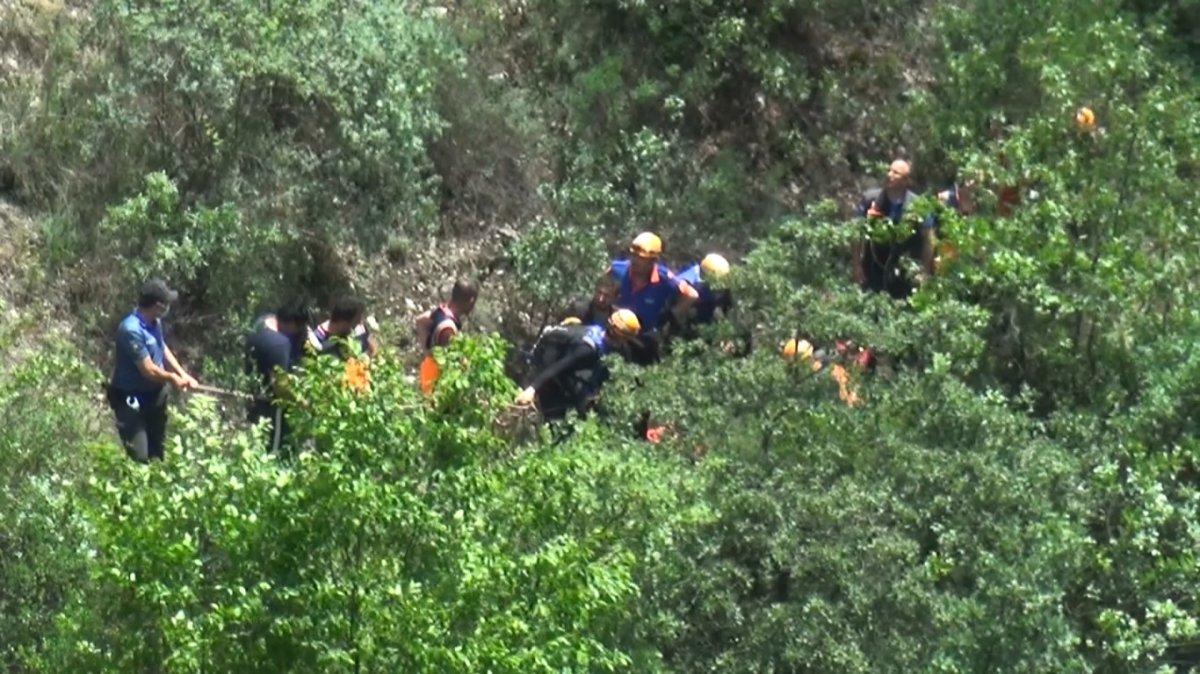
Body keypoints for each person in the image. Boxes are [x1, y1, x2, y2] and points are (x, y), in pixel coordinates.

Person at [106, 279, 198, 462]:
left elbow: (162, 348)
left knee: (158, 455)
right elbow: (147, 369)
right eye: (166, 303)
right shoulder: (130, 330)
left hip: (155, 396)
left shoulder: (155, 323)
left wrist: (183, 374)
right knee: (139, 457)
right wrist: (172, 378)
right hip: (131, 399)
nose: (168, 307)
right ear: (157, 305)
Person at [515, 309, 640, 419]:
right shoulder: (588, 349)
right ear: (619, 335)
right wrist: (532, 389)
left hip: (568, 372)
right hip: (553, 377)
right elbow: (559, 366)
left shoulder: (598, 333)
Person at [607, 232, 698, 364]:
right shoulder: (618, 269)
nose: (636, 261)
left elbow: (692, 295)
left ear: (653, 260)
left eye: (641, 258)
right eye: (634, 256)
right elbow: (601, 283)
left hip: (644, 338)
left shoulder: (665, 279)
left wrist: (671, 317)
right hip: (616, 330)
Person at [850, 159, 931, 299]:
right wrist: (856, 265)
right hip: (874, 269)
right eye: (889, 170)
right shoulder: (871, 200)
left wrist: (924, 271)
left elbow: (928, 239)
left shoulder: (918, 205)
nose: (889, 175)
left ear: (906, 180)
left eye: (895, 173)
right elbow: (857, 232)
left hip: (905, 272)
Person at [245, 300, 311, 451]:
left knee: (255, 446)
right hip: (272, 407)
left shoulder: (260, 323)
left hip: (253, 397)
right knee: (272, 452)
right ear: (292, 323)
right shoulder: (279, 344)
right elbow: (280, 386)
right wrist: (302, 403)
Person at [416, 279, 479, 394]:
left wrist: (427, 352)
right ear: (471, 301)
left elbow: (420, 320)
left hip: (428, 371)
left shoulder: (441, 311)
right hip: (435, 382)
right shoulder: (448, 328)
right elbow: (452, 361)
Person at [675, 253, 733, 326]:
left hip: (706, 308)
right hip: (690, 307)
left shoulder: (724, 287)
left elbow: (727, 304)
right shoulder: (690, 277)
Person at [311, 296, 376, 360]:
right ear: (343, 322)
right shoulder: (318, 340)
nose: (360, 322)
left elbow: (372, 348)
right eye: (356, 320)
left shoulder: (359, 331)